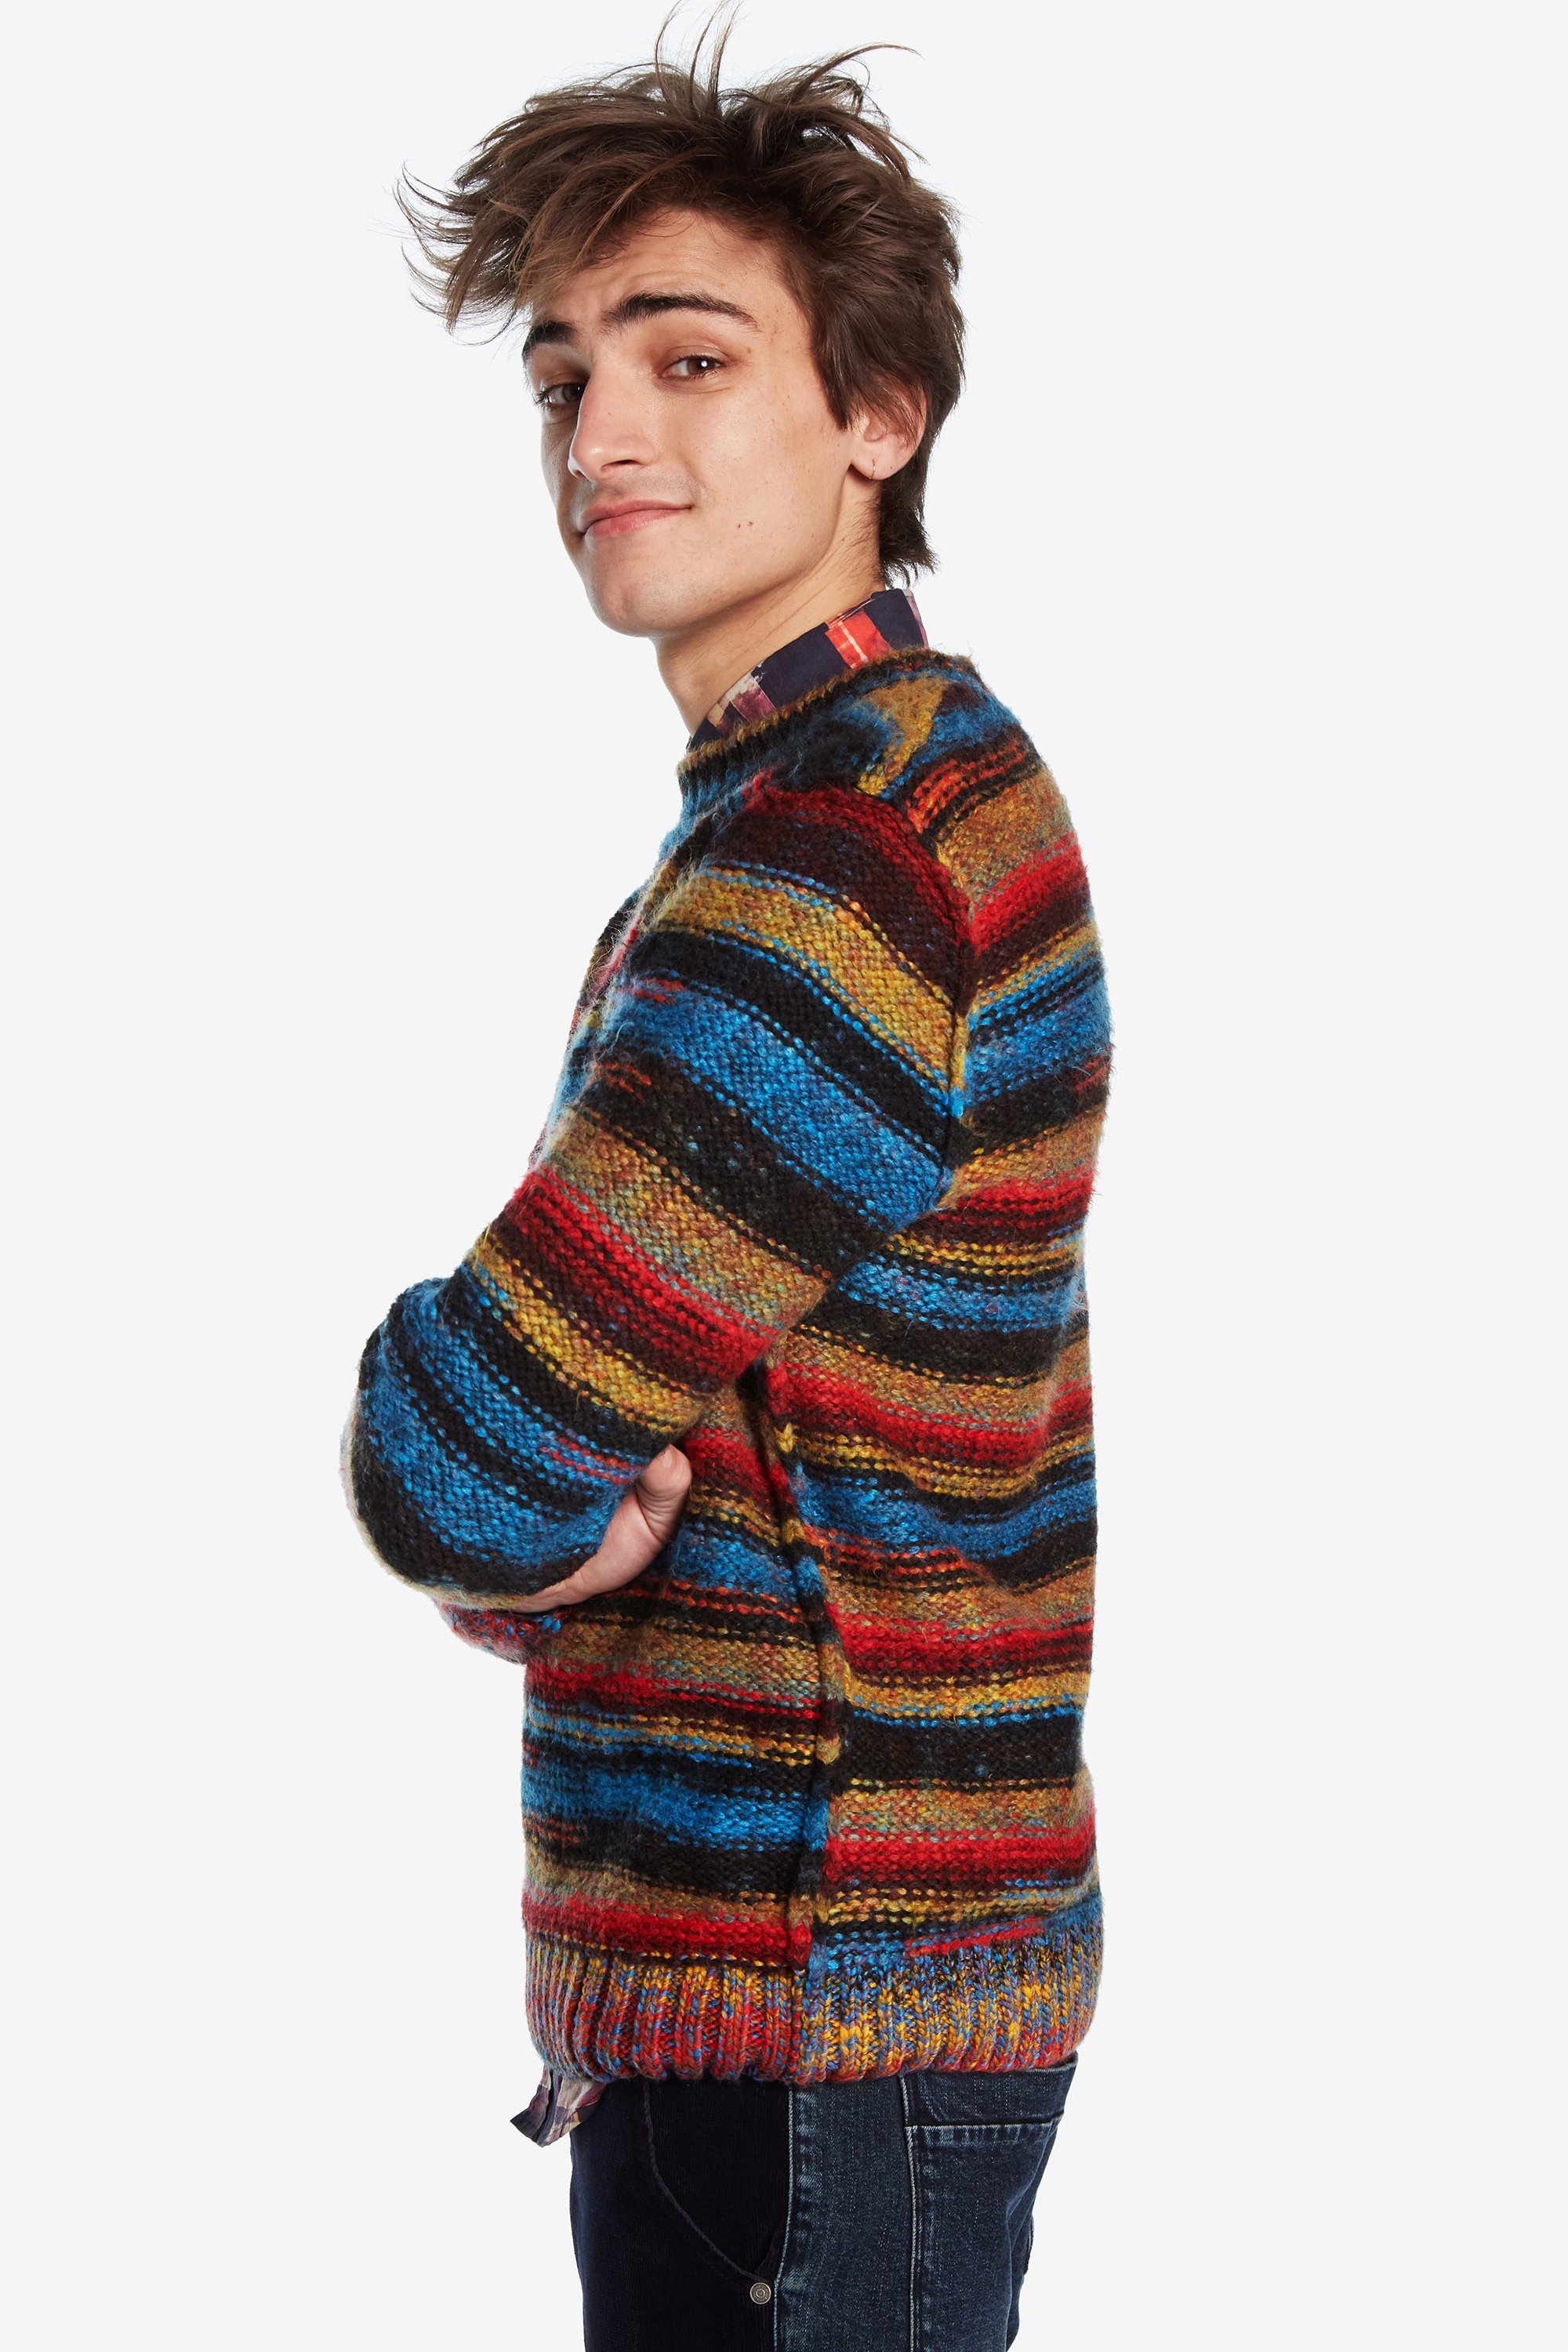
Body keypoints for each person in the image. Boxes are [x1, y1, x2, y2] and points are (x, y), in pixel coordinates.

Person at [343, 27, 1113, 2350]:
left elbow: (458, 1447)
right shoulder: (866, 789)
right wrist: (558, 1526)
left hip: (807, 2017)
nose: (600, 433)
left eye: (688, 359)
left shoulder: (835, 861)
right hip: (825, 2000)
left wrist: (499, 1510)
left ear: (879, 412)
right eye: (564, 375)